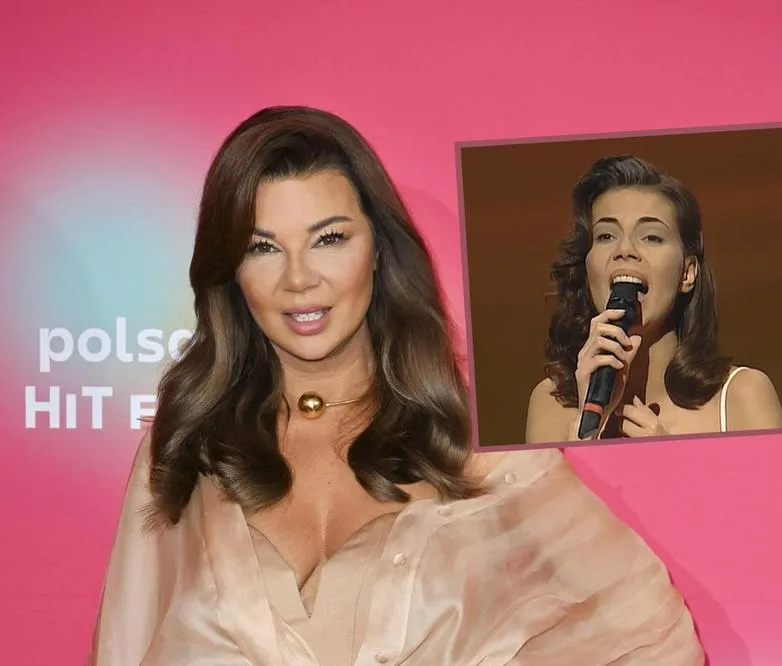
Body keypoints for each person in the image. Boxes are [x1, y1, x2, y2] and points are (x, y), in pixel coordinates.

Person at [90, 108, 705, 665]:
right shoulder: (182, 457)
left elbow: (651, 642)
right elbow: (120, 650)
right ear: (231, 270)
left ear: (379, 249)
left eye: (329, 239)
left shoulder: (478, 451)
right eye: (263, 247)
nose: (299, 279)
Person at [526, 155, 782, 444]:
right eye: (606, 236)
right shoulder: (550, 404)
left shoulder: (741, 396)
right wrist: (587, 429)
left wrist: (666, 460)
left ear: (687, 272)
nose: (625, 250)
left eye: (651, 237)